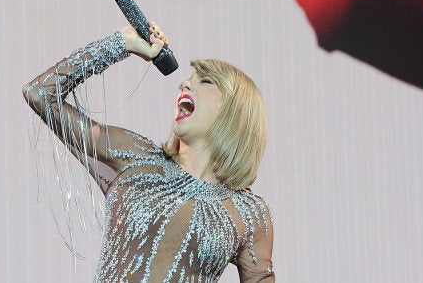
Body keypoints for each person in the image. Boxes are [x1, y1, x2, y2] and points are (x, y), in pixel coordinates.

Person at [23, 22, 274, 282]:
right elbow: (40, 94)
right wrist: (121, 44)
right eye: (187, 80)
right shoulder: (137, 158)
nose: (184, 85)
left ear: (236, 112)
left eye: (205, 80)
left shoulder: (248, 212)